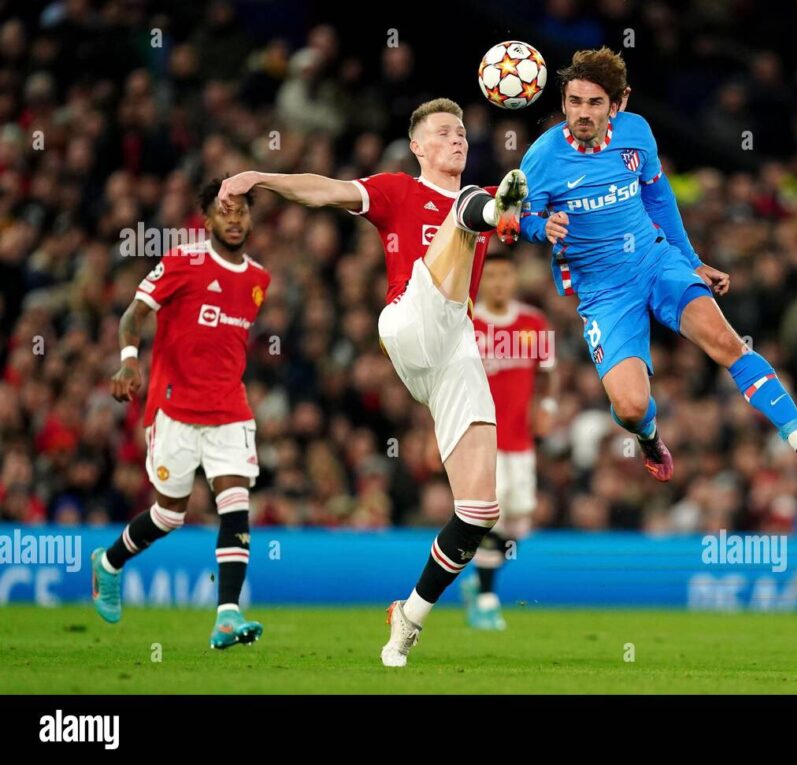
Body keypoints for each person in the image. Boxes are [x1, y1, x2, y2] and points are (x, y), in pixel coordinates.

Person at [218, 98, 527, 667]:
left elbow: (537, 214)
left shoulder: (483, 195)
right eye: (444, 132)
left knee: (481, 510)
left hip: (455, 345)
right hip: (408, 320)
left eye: (461, 132)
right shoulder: (398, 191)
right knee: (472, 209)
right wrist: (261, 177)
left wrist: (544, 220)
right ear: (418, 147)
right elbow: (323, 190)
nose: (457, 139)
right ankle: (487, 214)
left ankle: (408, 616)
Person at [517, 48, 797, 479]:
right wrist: (543, 228)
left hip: (655, 261)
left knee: (726, 343)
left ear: (618, 103)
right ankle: (648, 435)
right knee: (630, 407)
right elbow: (522, 219)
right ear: (563, 101)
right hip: (604, 291)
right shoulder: (542, 157)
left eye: (595, 103)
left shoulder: (637, 132)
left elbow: (658, 196)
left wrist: (692, 261)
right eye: (574, 101)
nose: (583, 113)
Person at [92, 178, 269, 649]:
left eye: (241, 211)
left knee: (235, 503)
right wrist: (129, 361)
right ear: (207, 220)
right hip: (175, 410)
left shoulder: (259, 280)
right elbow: (133, 314)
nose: (234, 219)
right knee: (170, 515)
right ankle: (108, 562)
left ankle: (227, 615)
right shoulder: (182, 261)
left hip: (230, 410)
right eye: (224, 211)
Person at [462, 252, 556, 629]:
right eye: (492, 276)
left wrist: (547, 406)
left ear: (514, 280)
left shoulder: (534, 322)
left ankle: (477, 582)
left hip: (521, 440)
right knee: (492, 513)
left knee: (518, 522)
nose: (499, 283)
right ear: (481, 280)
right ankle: (486, 599)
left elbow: (548, 373)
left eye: (505, 275)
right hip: (481, 437)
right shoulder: (468, 324)